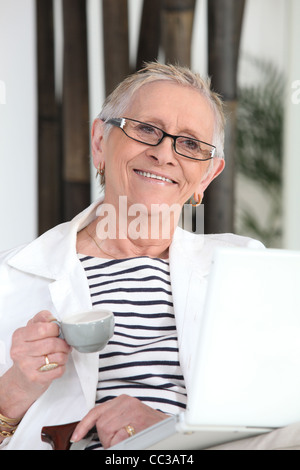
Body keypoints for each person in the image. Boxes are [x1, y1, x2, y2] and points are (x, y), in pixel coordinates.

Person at [0, 62, 299, 451]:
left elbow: (276, 416)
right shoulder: (14, 276)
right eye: (145, 129)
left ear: (207, 176)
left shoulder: (244, 266)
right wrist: (17, 387)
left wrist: (167, 431)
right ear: (99, 141)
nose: (164, 153)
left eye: (191, 144)